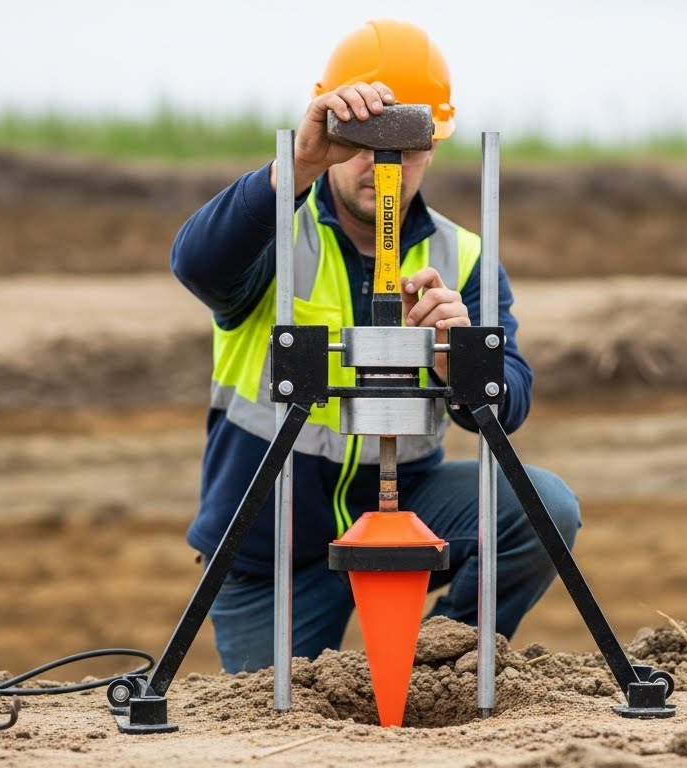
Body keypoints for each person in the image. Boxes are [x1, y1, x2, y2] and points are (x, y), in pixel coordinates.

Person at [170, 18, 580, 674]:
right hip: (271, 545)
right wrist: (295, 166)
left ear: (432, 145)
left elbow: (510, 403)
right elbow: (197, 265)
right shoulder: (275, 227)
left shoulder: (463, 257)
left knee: (542, 506)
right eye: (360, 142)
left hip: (409, 507)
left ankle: (438, 665)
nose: (381, 163)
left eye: (405, 145)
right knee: (274, 711)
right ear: (330, 137)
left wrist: (456, 357)